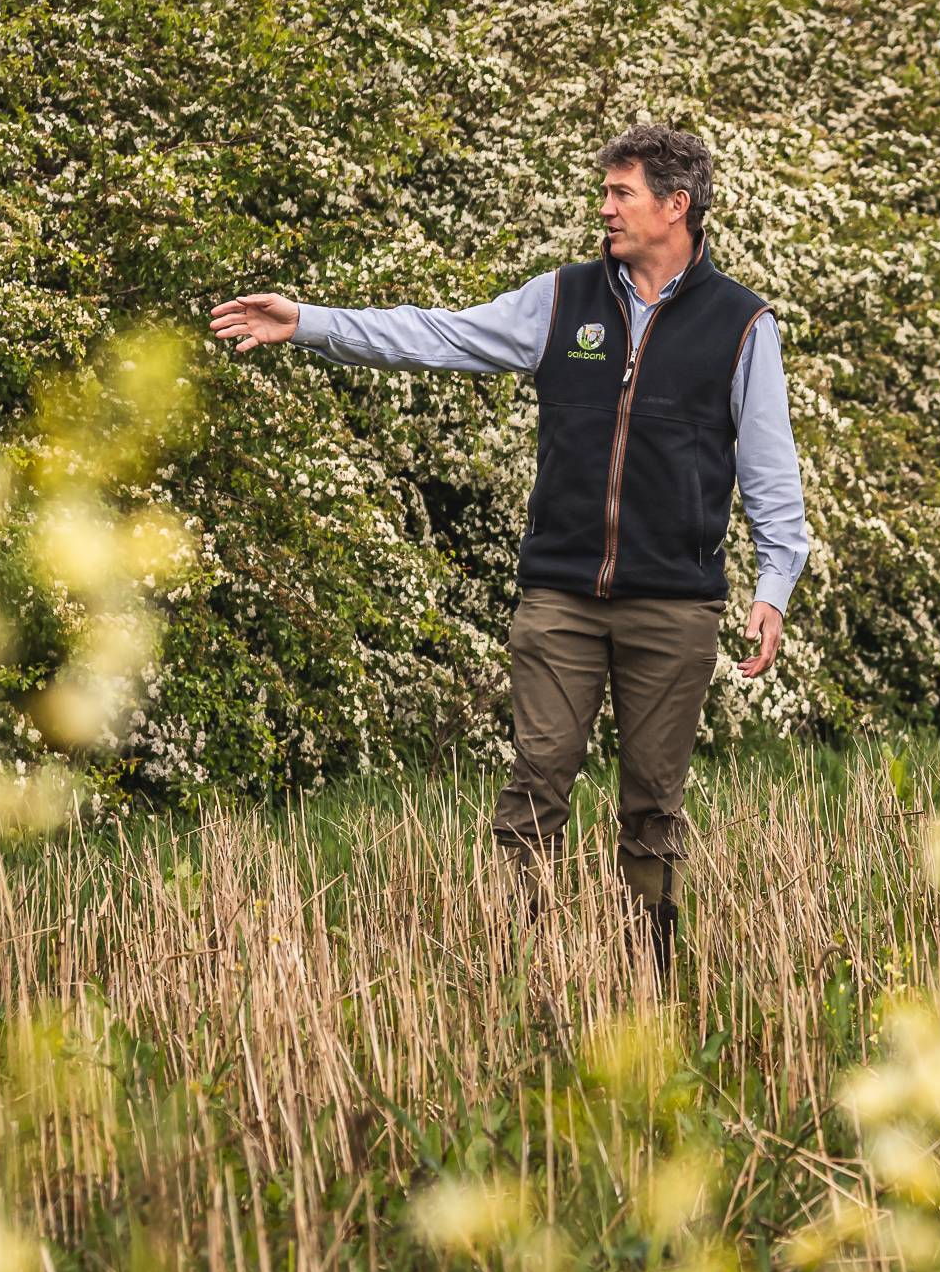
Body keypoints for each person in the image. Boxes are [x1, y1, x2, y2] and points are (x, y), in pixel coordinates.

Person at [212, 125, 808, 983]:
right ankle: (517, 963)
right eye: (605, 192)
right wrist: (307, 324)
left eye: (621, 194)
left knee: (653, 803)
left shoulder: (741, 323)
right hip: (560, 596)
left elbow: (769, 470)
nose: (603, 208)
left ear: (676, 206)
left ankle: (653, 978)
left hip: (674, 604)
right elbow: (437, 336)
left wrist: (775, 585)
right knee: (536, 784)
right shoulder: (563, 301)